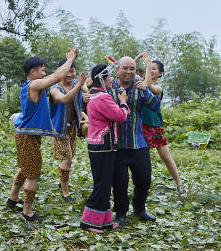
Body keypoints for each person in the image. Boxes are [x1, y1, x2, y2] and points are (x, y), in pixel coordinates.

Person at [7, 47, 80, 222]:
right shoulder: (33, 84)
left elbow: (54, 76)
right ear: (33, 71)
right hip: (27, 136)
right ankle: (27, 211)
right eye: (42, 69)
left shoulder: (33, 85)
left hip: (27, 135)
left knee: (25, 168)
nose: (44, 72)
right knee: (33, 174)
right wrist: (69, 59)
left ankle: (13, 198)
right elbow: (56, 77)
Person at [111, 53, 161, 228]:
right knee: (119, 182)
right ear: (117, 70)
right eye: (125, 68)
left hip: (138, 142)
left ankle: (139, 208)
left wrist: (145, 91)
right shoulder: (111, 87)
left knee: (144, 179)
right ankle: (121, 213)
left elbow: (155, 106)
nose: (129, 72)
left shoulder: (140, 86)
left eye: (132, 68)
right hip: (117, 145)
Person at [80, 63, 130, 232]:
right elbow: (120, 116)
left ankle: (105, 221)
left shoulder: (92, 95)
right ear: (101, 78)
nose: (112, 80)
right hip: (104, 145)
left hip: (96, 143)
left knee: (104, 183)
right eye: (109, 76)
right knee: (102, 185)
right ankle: (88, 222)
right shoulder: (103, 97)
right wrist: (123, 102)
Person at [135, 56, 187, 195]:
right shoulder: (138, 81)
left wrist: (146, 65)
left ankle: (179, 185)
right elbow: (129, 69)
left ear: (160, 73)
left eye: (154, 69)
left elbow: (148, 87)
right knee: (142, 159)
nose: (151, 70)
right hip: (140, 125)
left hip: (155, 125)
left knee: (165, 157)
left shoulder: (158, 87)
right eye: (149, 68)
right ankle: (145, 187)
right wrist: (138, 58)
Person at [48, 58, 87, 202]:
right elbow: (64, 99)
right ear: (60, 72)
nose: (69, 74)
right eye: (66, 71)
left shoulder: (77, 83)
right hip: (59, 128)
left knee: (70, 158)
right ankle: (65, 192)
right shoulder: (54, 88)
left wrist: (86, 95)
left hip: (73, 127)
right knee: (67, 158)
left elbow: (87, 90)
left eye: (72, 70)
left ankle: (62, 180)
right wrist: (80, 86)